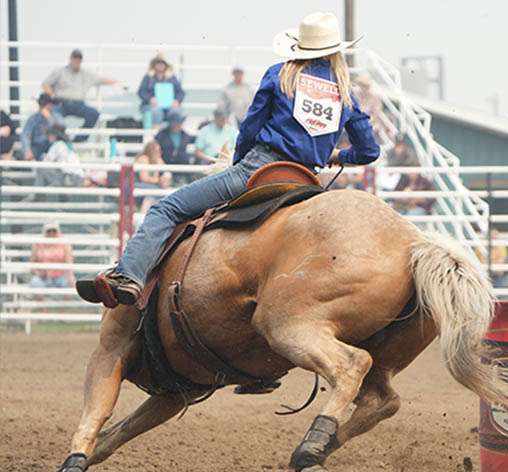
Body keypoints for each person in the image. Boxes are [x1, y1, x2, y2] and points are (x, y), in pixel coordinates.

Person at [77, 12, 380, 307]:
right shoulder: (346, 93)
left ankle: (129, 276)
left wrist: (238, 163)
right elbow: (369, 151)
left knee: (166, 209)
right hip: (306, 180)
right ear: (335, 51)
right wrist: (337, 155)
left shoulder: (281, 74)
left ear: (301, 46)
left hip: (262, 166)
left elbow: (250, 128)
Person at [42, 49, 118, 142]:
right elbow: (46, 84)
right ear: (70, 59)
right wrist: (52, 94)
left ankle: (80, 139)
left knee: (93, 114)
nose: (76, 61)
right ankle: (59, 140)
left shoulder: (86, 74)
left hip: (79, 104)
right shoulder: (60, 72)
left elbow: (101, 80)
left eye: (79, 59)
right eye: (75, 58)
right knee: (54, 117)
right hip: (61, 103)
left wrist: (118, 83)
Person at [137, 55, 185, 127]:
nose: (160, 66)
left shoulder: (172, 77)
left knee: (176, 111)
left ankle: (173, 132)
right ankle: (155, 131)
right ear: (154, 65)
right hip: (152, 105)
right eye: (158, 64)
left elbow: (180, 92)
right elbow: (141, 92)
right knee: (156, 111)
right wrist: (150, 99)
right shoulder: (148, 77)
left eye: (162, 64)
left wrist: (177, 100)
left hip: (170, 105)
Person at [30, 221, 75, 289]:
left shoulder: (64, 243)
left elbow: (68, 262)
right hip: (42, 277)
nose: (51, 233)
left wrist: (70, 277)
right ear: (44, 232)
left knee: (68, 284)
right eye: (49, 231)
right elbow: (32, 264)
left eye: (54, 231)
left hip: (60, 276)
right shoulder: (37, 244)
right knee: (35, 283)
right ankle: (40, 299)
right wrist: (38, 273)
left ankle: (65, 299)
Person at [21, 93, 63, 161]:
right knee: (30, 154)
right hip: (37, 146)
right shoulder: (33, 118)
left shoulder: (57, 117)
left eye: (46, 104)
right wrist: (27, 150)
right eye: (42, 105)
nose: (44, 107)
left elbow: (61, 130)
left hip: (53, 146)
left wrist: (49, 118)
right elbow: (25, 135)